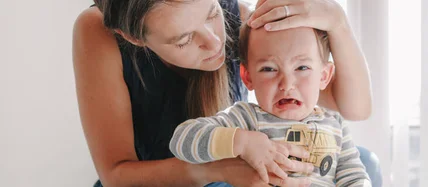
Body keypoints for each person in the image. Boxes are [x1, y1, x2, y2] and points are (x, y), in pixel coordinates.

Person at [72, 0, 373, 186]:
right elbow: (116, 175)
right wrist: (222, 169)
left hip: (237, 170)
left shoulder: (242, 19)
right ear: (132, 37)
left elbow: (355, 109)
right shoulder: (99, 30)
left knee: (363, 163)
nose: (216, 41)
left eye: (211, 12)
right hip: (174, 180)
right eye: (184, 39)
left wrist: (336, 21)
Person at [169, 21, 371, 186]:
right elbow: (181, 141)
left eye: (302, 67)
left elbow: (354, 177)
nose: (287, 84)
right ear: (247, 77)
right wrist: (243, 142)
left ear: (324, 75)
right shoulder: (247, 118)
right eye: (269, 69)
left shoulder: (335, 124)